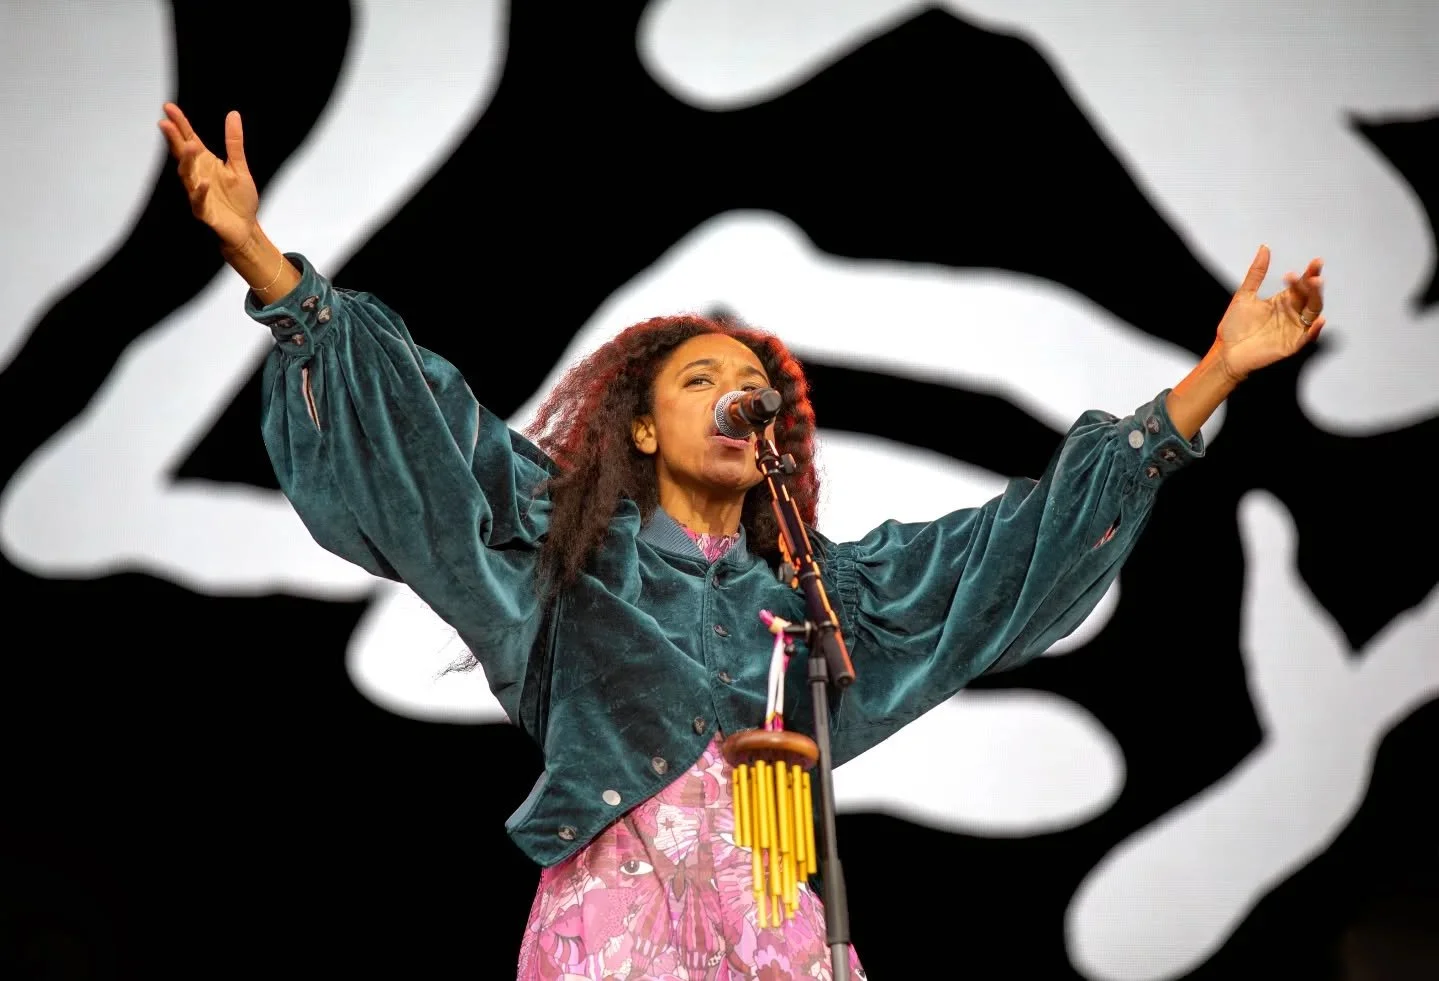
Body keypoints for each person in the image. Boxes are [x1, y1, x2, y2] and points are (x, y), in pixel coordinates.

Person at [157, 102, 1327, 980]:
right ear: (644, 427)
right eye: (702, 377)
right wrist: (271, 268)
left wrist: (1213, 373)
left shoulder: (828, 603)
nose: (736, 392)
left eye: (754, 382)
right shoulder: (561, 560)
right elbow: (423, 432)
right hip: (611, 929)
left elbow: (1014, 548)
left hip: (777, 934)